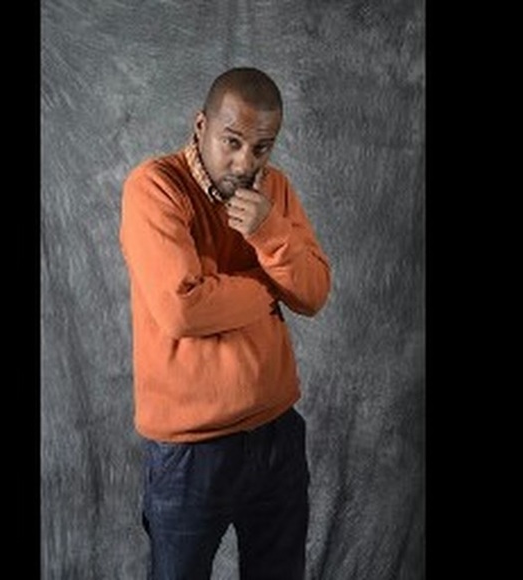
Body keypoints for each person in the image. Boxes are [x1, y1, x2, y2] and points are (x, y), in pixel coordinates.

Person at [119, 67, 331, 580]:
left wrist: (268, 231)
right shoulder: (156, 186)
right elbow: (183, 309)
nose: (245, 163)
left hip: (277, 434)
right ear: (201, 127)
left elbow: (312, 293)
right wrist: (266, 289)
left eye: (261, 148)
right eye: (231, 142)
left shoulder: (274, 192)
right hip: (192, 450)